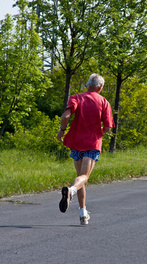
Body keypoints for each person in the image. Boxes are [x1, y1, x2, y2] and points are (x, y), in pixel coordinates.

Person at [57, 73, 114, 225]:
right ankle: (71, 191)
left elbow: (66, 116)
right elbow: (108, 127)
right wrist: (97, 132)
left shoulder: (76, 98)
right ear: (100, 87)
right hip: (92, 143)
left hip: (76, 142)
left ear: (88, 84)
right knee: (84, 177)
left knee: (80, 177)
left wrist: (62, 131)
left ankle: (83, 214)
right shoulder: (103, 101)